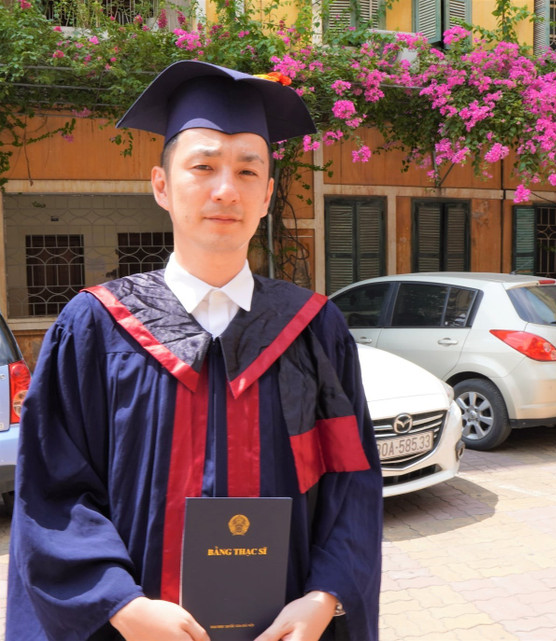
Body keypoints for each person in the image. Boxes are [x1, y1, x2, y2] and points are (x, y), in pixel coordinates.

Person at [7, 61, 383, 641]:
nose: (225, 189)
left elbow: (351, 479)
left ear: (267, 195)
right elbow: (51, 489)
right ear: (161, 185)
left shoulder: (314, 330)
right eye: (203, 166)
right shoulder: (96, 328)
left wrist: (325, 596)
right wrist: (119, 604)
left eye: (248, 171)